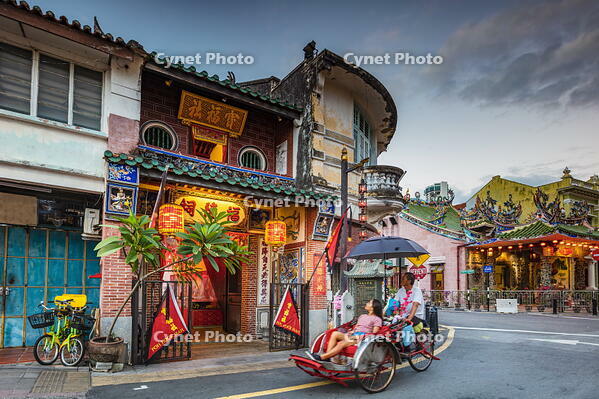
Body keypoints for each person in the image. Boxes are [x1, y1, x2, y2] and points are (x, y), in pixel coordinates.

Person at [308, 299, 383, 362]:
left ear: (373, 307)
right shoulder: (362, 316)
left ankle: (323, 357)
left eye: (369, 303)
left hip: (362, 339)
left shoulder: (377, 319)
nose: (367, 303)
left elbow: (374, 334)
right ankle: (327, 356)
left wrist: (360, 336)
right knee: (335, 334)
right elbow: (356, 327)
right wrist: (351, 332)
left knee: (341, 343)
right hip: (353, 335)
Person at [393, 272, 426, 350]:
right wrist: (396, 313)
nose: (401, 279)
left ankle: (406, 348)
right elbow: (395, 304)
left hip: (416, 316)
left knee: (405, 326)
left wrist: (409, 319)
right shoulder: (400, 291)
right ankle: (398, 346)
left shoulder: (417, 290)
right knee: (392, 326)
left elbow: (415, 305)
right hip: (403, 315)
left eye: (403, 278)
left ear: (409, 281)